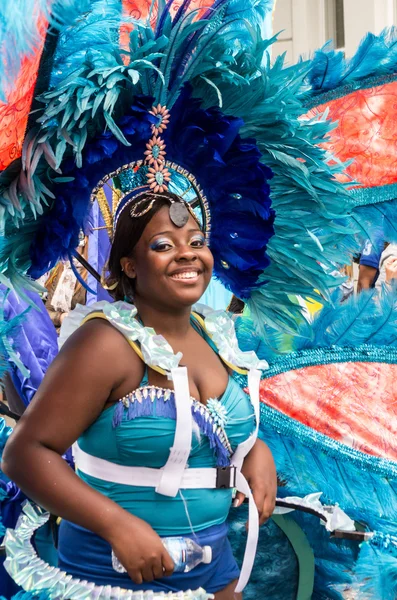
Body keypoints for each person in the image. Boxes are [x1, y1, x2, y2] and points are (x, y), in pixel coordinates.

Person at [2, 190, 277, 599]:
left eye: (197, 242)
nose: (187, 254)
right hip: (113, 577)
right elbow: (24, 454)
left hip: (216, 569)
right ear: (129, 266)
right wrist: (116, 524)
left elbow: (216, 425)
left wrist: (255, 451)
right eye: (164, 245)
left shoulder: (216, 335)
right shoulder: (105, 344)